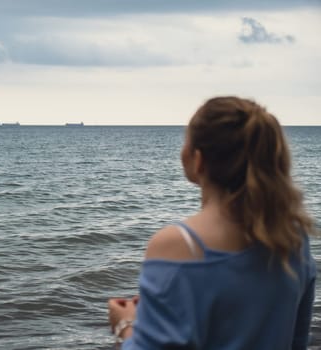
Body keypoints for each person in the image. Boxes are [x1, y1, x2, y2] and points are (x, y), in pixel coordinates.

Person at [108, 96, 316, 349]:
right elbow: (296, 342)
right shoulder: (293, 237)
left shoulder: (178, 244)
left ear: (198, 160)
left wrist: (125, 326)